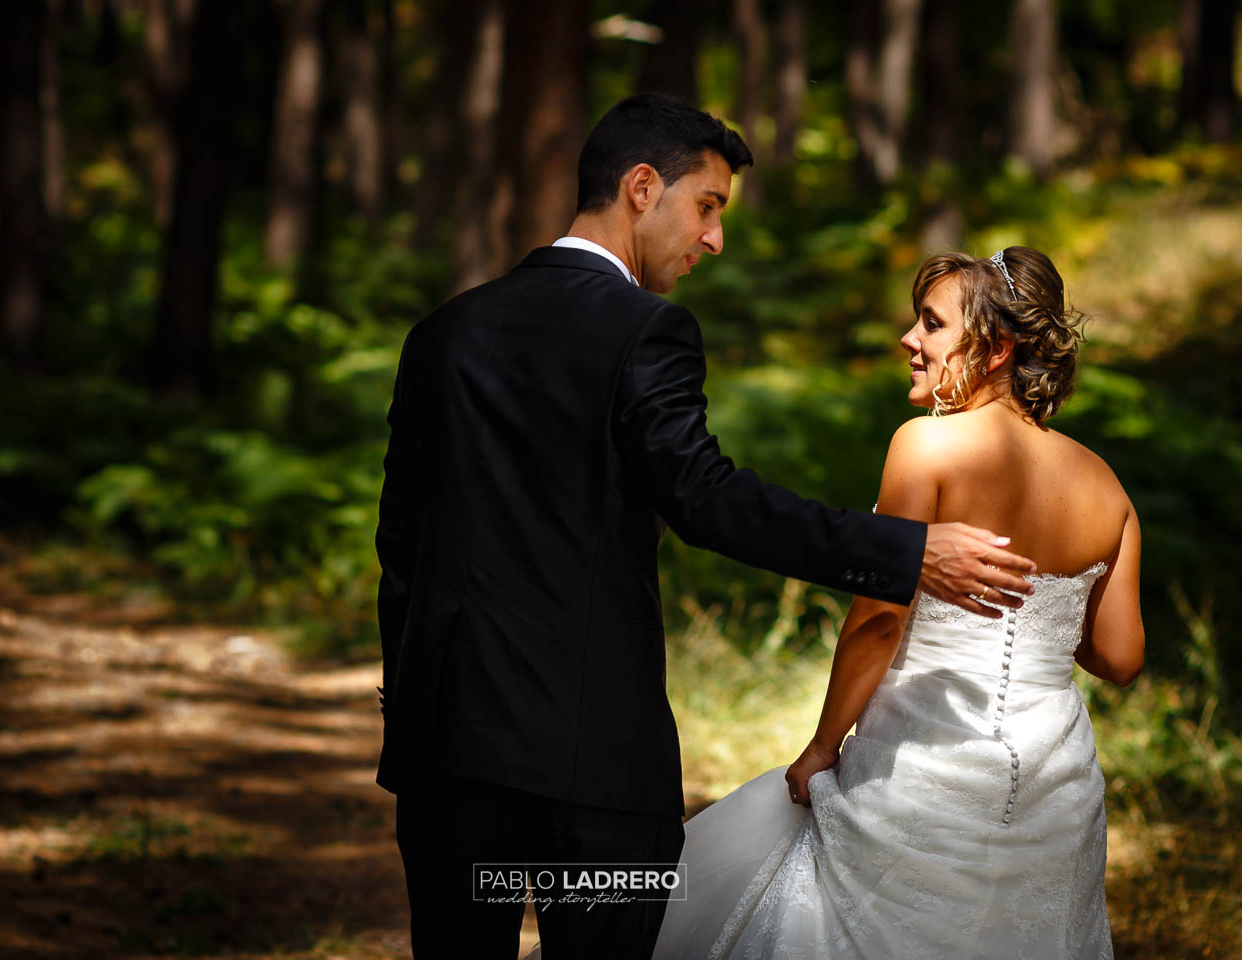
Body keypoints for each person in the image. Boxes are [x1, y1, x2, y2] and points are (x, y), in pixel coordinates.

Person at [374, 95, 1039, 960]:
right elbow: (705, 498)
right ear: (642, 187)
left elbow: (401, 544)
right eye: (709, 206)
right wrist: (907, 551)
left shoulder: (442, 334)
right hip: (595, 770)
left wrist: (412, 694)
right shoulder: (647, 329)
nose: (714, 239)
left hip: (446, 754)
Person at [650, 246, 1145, 959]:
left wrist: (822, 749)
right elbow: (1121, 658)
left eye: (932, 325)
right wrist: (1042, 617)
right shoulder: (1106, 485)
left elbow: (880, 619)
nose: (910, 340)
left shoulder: (927, 447)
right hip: (1053, 780)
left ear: (999, 346)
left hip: (923, 762)